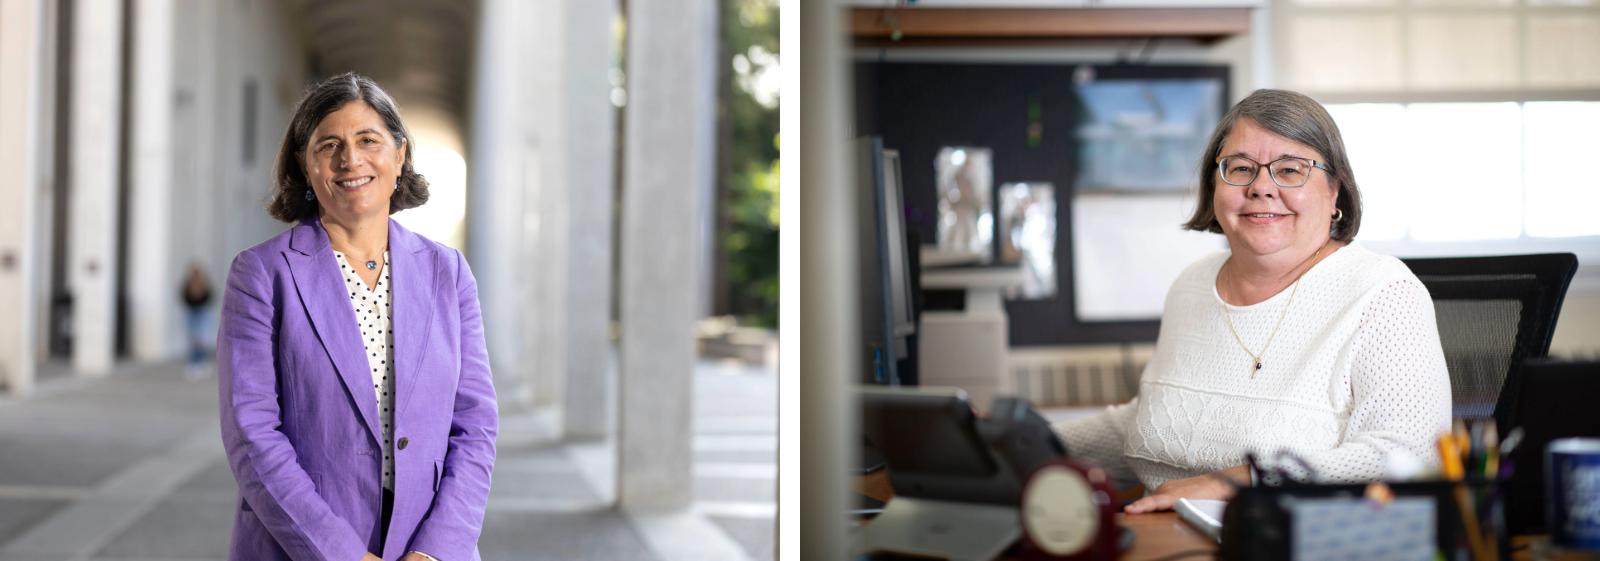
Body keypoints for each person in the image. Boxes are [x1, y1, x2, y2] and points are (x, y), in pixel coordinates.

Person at [1052, 89, 1452, 514]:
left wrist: (1237, 482)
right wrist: (1031, 441)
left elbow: (1412, 455)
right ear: (1215, 184)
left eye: (1290, 170)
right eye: (1241, 168)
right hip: (1163, 535)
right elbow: (1153, 419)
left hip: (1290, 538)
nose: (1261, 187)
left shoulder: (1383, 293)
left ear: (1335, 190)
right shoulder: (1192, 285)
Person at [217, 72, 497, 561]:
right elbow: (251, 435)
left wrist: (435, 550)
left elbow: (475, 424)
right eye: (329, 145)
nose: (351, 159)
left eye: (369, 140)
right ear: (305, 166)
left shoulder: (448, 272)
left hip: (428, 547)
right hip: (301, 548)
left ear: (400, 154)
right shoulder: (261, 275)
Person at [182, 263, 213, 380]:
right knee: (192, 339)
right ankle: (192, 363)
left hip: (201, 313)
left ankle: (202, 361)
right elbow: (184, 297)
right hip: (191, 312)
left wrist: (199, 295)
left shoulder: (204, 284)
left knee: (202, 339)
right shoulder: (187, 284)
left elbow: (209, 297)